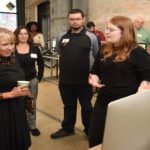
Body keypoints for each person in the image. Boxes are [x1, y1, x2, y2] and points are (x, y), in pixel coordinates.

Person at [88, 16, 150, 148]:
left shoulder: (138, 53)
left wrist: (144, 85)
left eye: (111, 29)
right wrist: (94, 78)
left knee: (120, 141)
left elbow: (147, 76)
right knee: (95, 137)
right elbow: (95, 71)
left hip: (125, 106)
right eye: (106, 28)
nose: (106, 32)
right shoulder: (104, 49)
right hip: (103, 102)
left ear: (124, 32)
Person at [50, 9, 99, 139]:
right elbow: (60, 52)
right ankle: (67, 129)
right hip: (65, 81)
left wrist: (95, 77)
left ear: (83, 19)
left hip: (85, 81)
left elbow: (96, 56)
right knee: (68, 106)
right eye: (72, 19)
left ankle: (90, 130)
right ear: (68, 20)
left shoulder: (92, 37)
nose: (75, 22)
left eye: (77, 19)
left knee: (87, 107)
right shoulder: (61, 36)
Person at [0, 27, 31, 150]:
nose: (9, 48)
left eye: (12, 44)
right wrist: (9, 95)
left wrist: (25, 92)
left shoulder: (13, 59)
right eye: (5, 44)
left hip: (17, 108)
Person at [14, 26, 44, 136]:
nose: (23, 36)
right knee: (17, 104)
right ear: (16, 35)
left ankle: (32, 126)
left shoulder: (34, 48)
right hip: (16, 82)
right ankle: (21, 125)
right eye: (20, 34)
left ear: (29, 35)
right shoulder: (12, 48)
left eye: (25, 33)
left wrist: (39, 77)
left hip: (32, 80)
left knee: (31, 103)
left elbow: (40, 63)